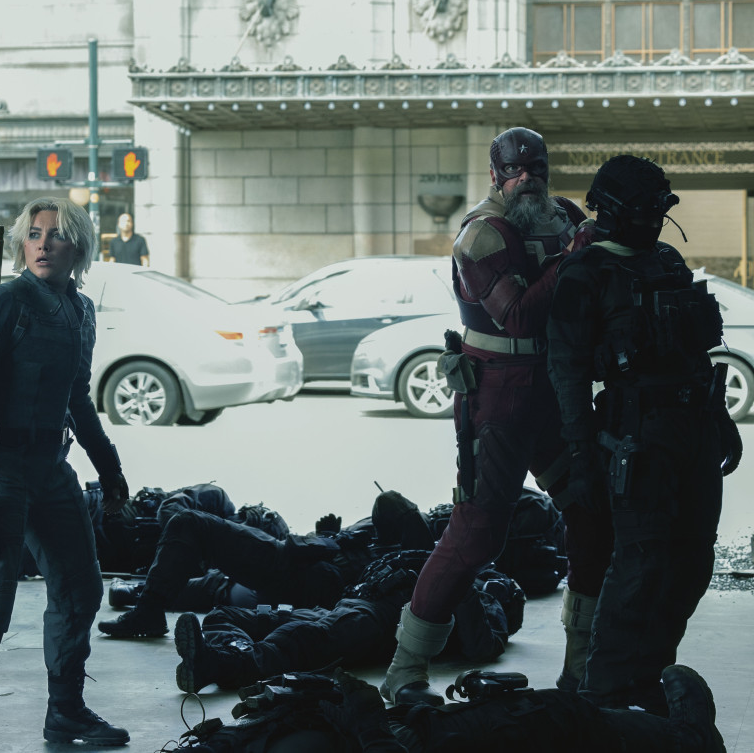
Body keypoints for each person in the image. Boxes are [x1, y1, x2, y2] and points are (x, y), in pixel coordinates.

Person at [381, 127, 613, 708]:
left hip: (556, 390)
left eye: (535, 168)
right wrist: (575, 255)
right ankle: (406, 669)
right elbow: (519, 316)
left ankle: (580, 671)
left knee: (591, 516)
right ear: (494, 175)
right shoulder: (481, 235)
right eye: (514, 170)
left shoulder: (564, 216)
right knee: (479, 530)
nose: (526, 179)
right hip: (499, 395)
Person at [0, 197, 132, 752]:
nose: (43, 244)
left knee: (81, 588)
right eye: (34, 234)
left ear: (78, 248)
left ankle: (65, 712)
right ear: (21, 243)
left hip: (51, 466)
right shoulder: (2, 301)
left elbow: (77, 398)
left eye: (56, 235)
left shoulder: (81, 311)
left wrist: (109, 467)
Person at [546, 155, 740, 714]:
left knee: (692, 562)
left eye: (660, 210)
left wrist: (720, 419)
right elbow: (567, 373)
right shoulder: (584, 273)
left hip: (692, 431)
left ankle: (646, 679)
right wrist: (582, 457)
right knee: (639, 567)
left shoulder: (667, 261)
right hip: (635, 437)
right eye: (643, 211)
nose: (654, 222)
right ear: (608, 211)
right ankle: (603, 699)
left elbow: (696, 355)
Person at [173, 550, 524, 696]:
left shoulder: (484, 600)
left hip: (374, 622)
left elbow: (483, 647)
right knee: (225, 615)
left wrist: (464, 583)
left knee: (301, 637)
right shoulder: (449, 569)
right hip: (343, 607)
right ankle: (232, 651)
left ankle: (222, 665)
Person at [96, 491, 433, 639]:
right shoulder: (381, 542)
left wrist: (334, 541)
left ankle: (148, 609)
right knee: (208, 567)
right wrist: (333, 537)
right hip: (301, 566)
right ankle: (145, 600)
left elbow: (390, 502)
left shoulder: (415, 557)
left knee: (187, 522)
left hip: (303, 572)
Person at [172, 665, 725, 752]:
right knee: (558, 716)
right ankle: (691, 741)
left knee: (547, 711)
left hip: (425, 729)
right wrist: (365, 716)